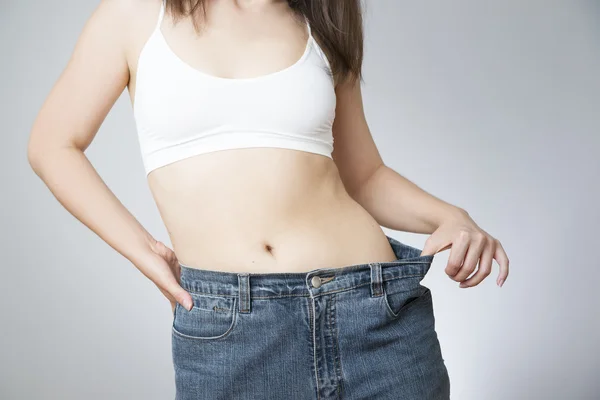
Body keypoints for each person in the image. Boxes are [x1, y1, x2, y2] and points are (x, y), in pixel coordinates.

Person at [27, 0, 509, 398]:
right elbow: (52, 144)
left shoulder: (323, 17)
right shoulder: (132, 17)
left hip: (373, 313)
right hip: (233, 331)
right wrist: (142, 249)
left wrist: (453, 217)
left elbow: (364, 176)